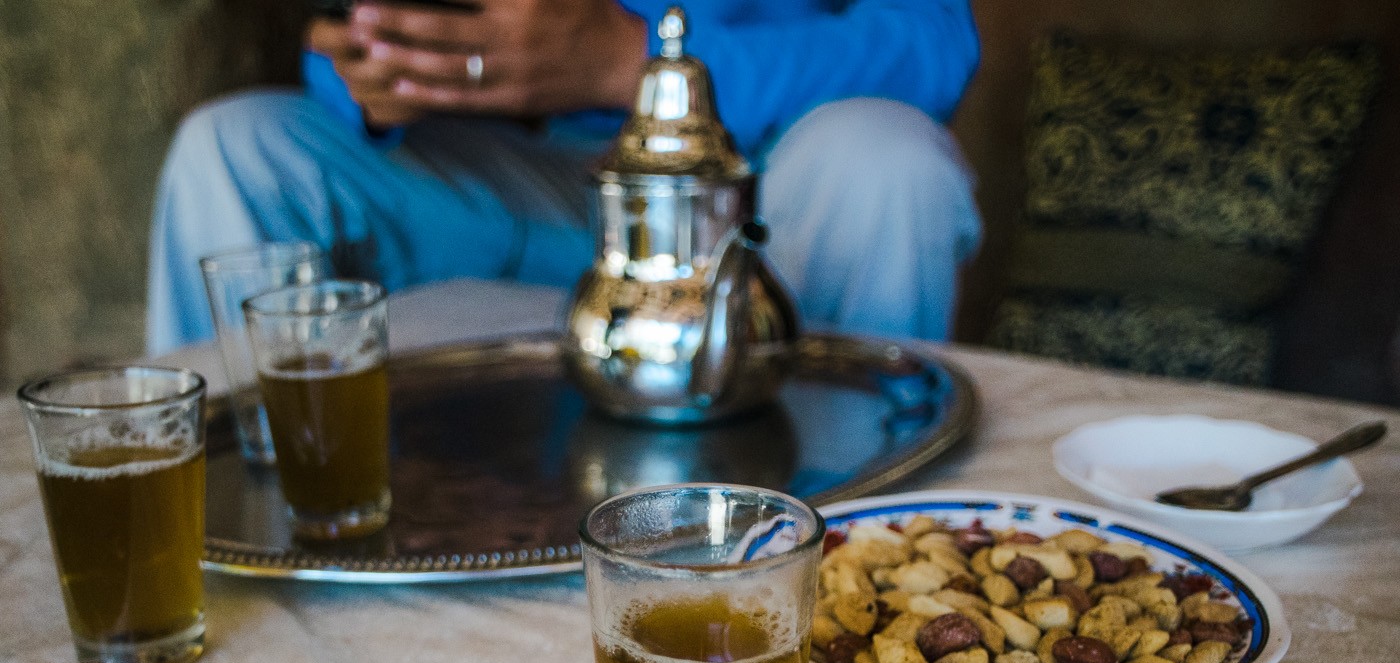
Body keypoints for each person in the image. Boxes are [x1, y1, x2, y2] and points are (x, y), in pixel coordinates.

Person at [147, 0, 983, 354]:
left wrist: (635, 59)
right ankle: (224, 539)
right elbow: (360, 44)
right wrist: (376, 69)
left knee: (889, 162)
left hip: (754, 184)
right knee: (236, 144)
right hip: (521, 176)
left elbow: (936, 41)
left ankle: (865, 551)